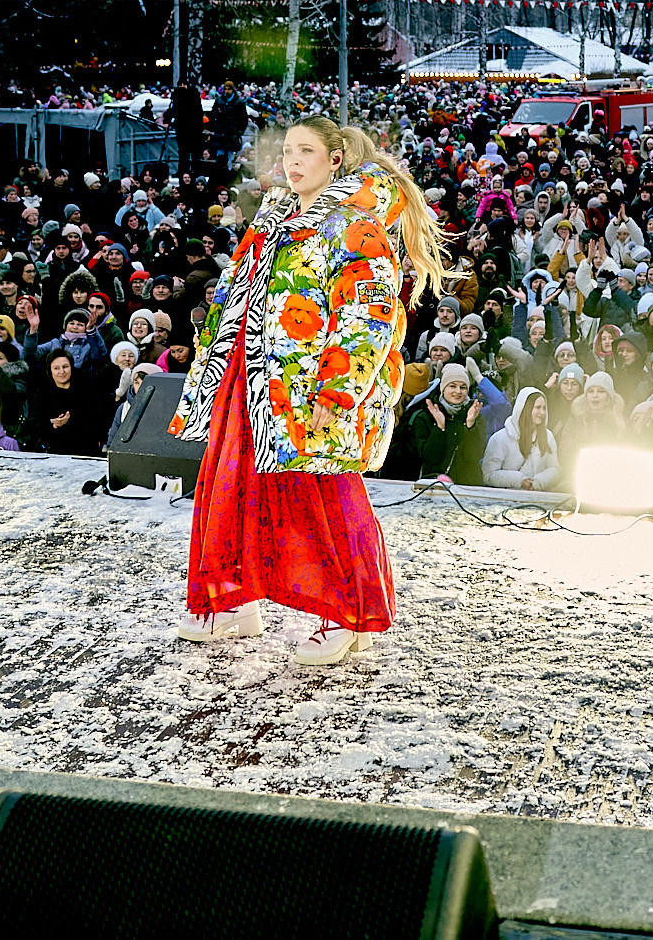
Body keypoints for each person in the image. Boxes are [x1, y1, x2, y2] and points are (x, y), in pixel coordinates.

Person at [168, 115, 446, 667]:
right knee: (233, 485)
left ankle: (349, 614)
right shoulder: (274, 217)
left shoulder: (352, 226)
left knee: (322, 498)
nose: (292, 161)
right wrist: (211, 348)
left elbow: (369, 312)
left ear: (335, 158)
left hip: (307, 387)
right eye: (287, 151)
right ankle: (234, 597)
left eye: (306, 151)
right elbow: (236, 288)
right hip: (245, 377)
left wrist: (338, 391)